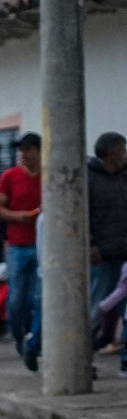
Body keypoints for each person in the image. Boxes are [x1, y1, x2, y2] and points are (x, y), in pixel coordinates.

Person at [0, 133, 44, 369]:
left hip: (44, 246)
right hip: (17, 245)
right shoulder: (10, 176)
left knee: (40, 298)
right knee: (17, 300)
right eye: (21, 150)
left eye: (28, 149)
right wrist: (19, 216)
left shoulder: (49, 175)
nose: (23, 154)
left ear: (39, 151)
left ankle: (34, 342)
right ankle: (18, 335)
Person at [90, 132, 127, 318]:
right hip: (102, 256)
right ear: (112, 153)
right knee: (96, 307)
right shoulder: (89, 178)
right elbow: (81, 214)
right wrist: (90, 244)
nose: (125, 155)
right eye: (123, 151)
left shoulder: (123, 177)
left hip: (124, 253)